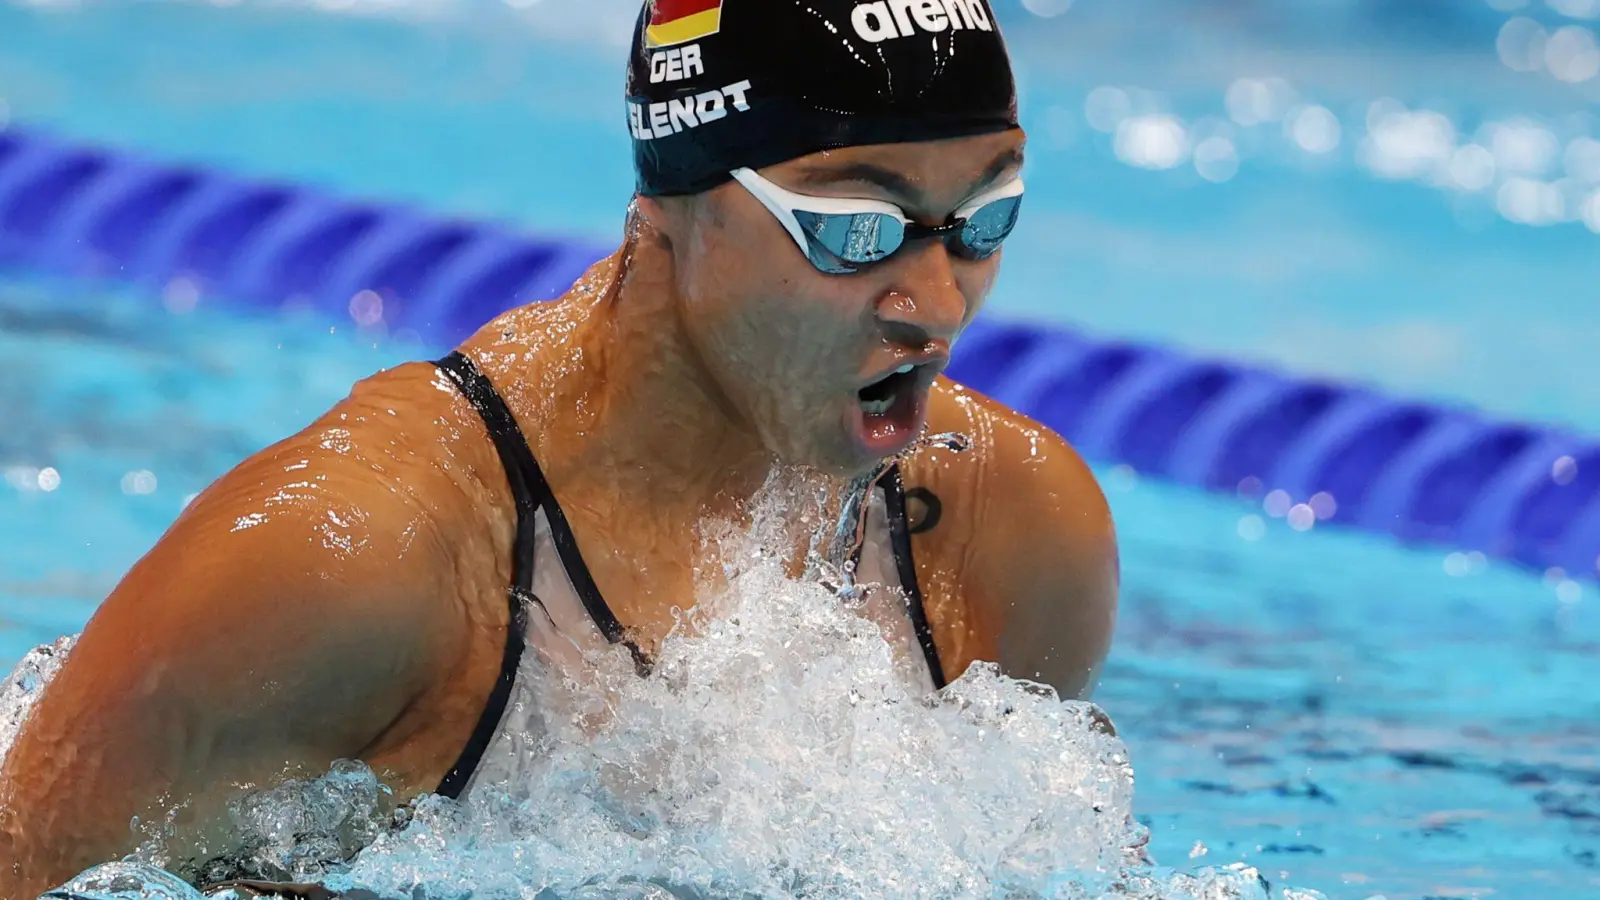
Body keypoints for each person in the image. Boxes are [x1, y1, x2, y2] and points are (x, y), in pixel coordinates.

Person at [0, 0, 1119, 896]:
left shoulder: (1002, 529)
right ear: (670, 213)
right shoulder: (358, 559)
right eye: (851, 232)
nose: (935, 305)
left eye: (985, 220)